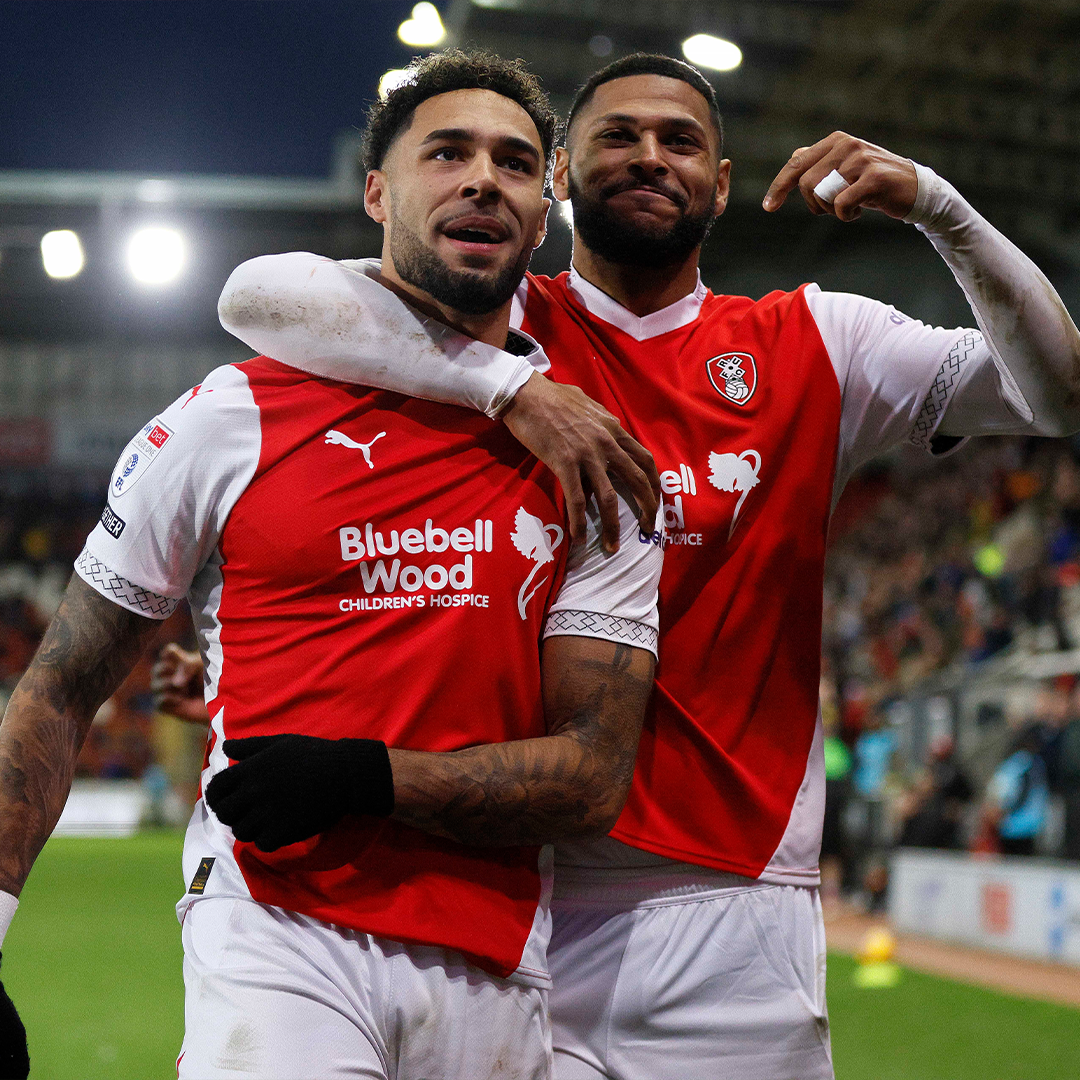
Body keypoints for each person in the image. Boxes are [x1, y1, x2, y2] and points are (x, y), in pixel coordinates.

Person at [214, 51, 1080, 1080]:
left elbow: (1058, 396)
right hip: (506, 893)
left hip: (737, 908)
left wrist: (942, 209)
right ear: (562, 179)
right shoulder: (485, 325)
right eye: (616, 135)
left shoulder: (817, 341)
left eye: (681, 140)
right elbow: (261, 297)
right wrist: (510, 388)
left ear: (719, 183)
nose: (650, 156)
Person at [0, 51, 666, 1080]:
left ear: (545, 214)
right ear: (376, 192)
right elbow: (58, 688)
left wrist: (363, 778)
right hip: (279, 928)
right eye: (446, 152)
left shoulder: (593, 460)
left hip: (500, 964)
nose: (482, 177)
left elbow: (591, 776)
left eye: (516, 162)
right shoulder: (232, 417)